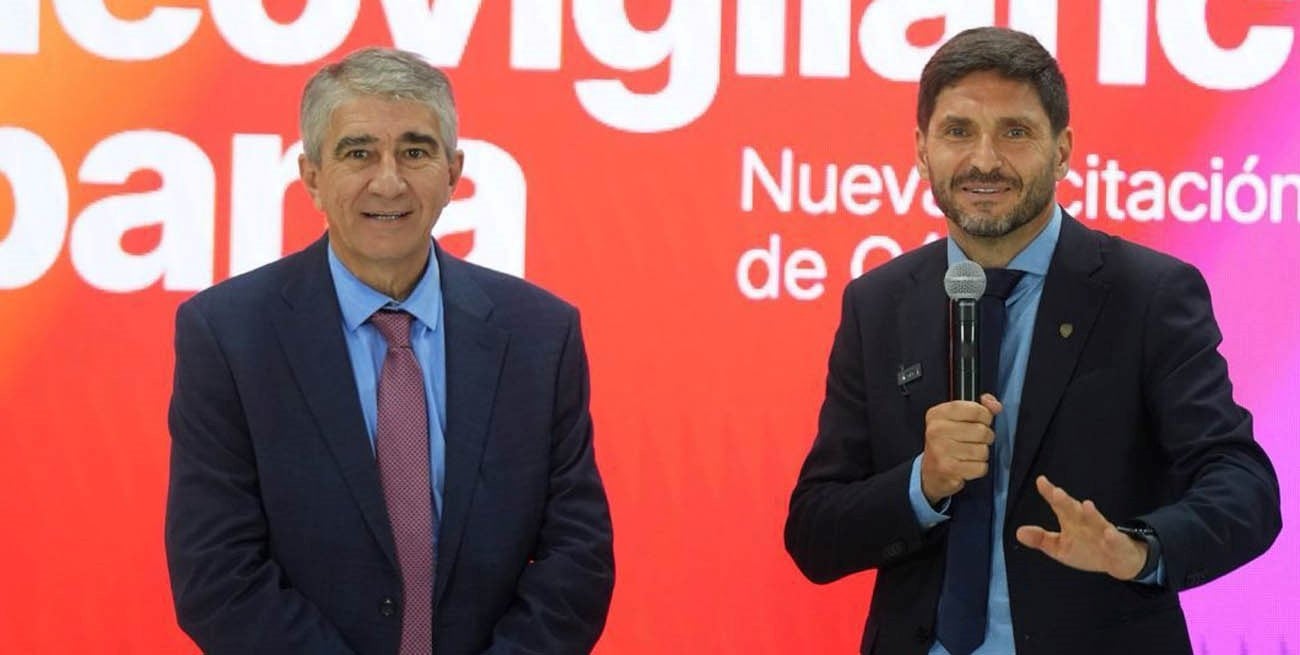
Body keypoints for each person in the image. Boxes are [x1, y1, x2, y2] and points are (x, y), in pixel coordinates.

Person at [784, 27, 1279, 655]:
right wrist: (922, 483)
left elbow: (1244, 487)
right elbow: (815, 533)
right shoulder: (877, 304)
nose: (985, 160)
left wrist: (1136, 549)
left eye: (1015, 132)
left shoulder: (1148, 294)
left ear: (1062, 150)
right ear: (922, 150)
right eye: (958, 131)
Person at [165, 47, 614, 655]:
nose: (388, 181)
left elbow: (577, 558)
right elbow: (217, 573)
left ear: (453, 173)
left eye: (415, 151)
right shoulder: (228, 335)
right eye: (358, 153)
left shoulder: (539, 335)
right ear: (312, 176)